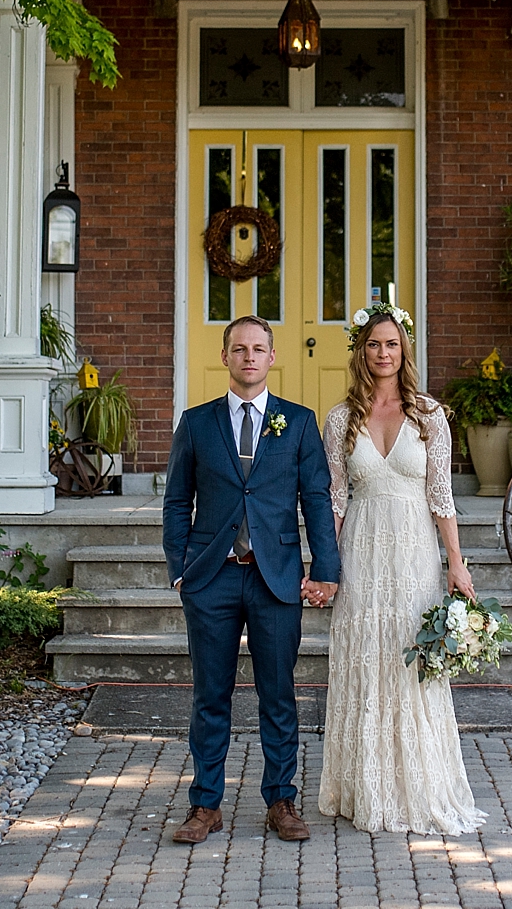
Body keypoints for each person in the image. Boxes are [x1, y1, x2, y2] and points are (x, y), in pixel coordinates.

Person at [162, 315, 342, 845]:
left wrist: (325, 570)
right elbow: (176, 502)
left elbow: (316, 500)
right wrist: (180, 569)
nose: (248, 357)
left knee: (279, 694)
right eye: (238, 349)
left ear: (271, 357)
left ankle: (281, 800)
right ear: (225, 357)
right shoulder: (196, 423)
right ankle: (205, 805)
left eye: (258, 349)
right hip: (211, 577)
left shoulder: (299, 422)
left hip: (276, 578)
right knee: (209, 695)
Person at [317, 301, 487, 835]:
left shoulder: (430, 415)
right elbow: (335, 500)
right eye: (373, 344)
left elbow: (442, 497)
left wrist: (456, 563)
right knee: (366, 663)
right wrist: (325, 565)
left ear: (403, 350)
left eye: (391, 343)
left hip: (414, 557)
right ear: (361, 352)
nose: (382, 352)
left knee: (411, 663)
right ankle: (362, 788)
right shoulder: (340, 419)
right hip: (362, 558)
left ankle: (419, 787)